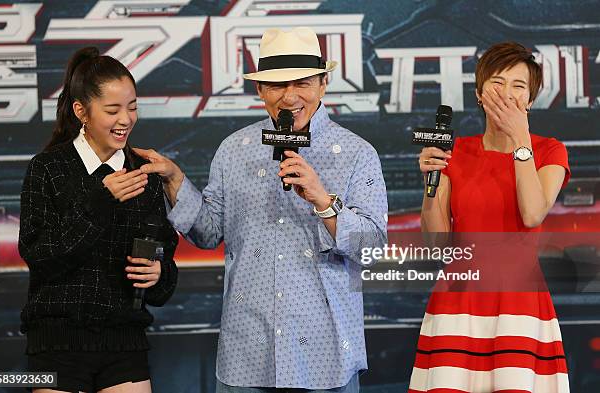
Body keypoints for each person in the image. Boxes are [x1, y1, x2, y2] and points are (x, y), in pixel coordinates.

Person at [134, 27, 388, 392]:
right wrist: (175, 180)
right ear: (260, 90)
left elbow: (373, 248)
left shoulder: (357, 154)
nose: (289, 97)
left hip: (324, 352)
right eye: (276, 85)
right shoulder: (234, 150)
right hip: (248, 351)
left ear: (323, 83)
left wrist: (323, 201)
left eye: (301, 82)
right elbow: (207, 233)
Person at [409, 42, 570, 392]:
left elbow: (532, 213)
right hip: (459, 297)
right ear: (480, 94)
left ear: (530, 100)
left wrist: (520, 138)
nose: (507, 94)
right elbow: (436, 244)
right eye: (497, 83)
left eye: (518, 86)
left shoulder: (549, 150)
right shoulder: (458, 150)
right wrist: (430, 184)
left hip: (519, 299)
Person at [18, 46, 178, 393]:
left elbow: (165, 269)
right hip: (57, 342)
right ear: (82, 111)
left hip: (125, 340)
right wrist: (102, 200)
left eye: (132, 107)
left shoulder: (144, 174)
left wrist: (158, 273)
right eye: (112, 110)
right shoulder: (48, 169)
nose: (126, 119)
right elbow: (41, 256)